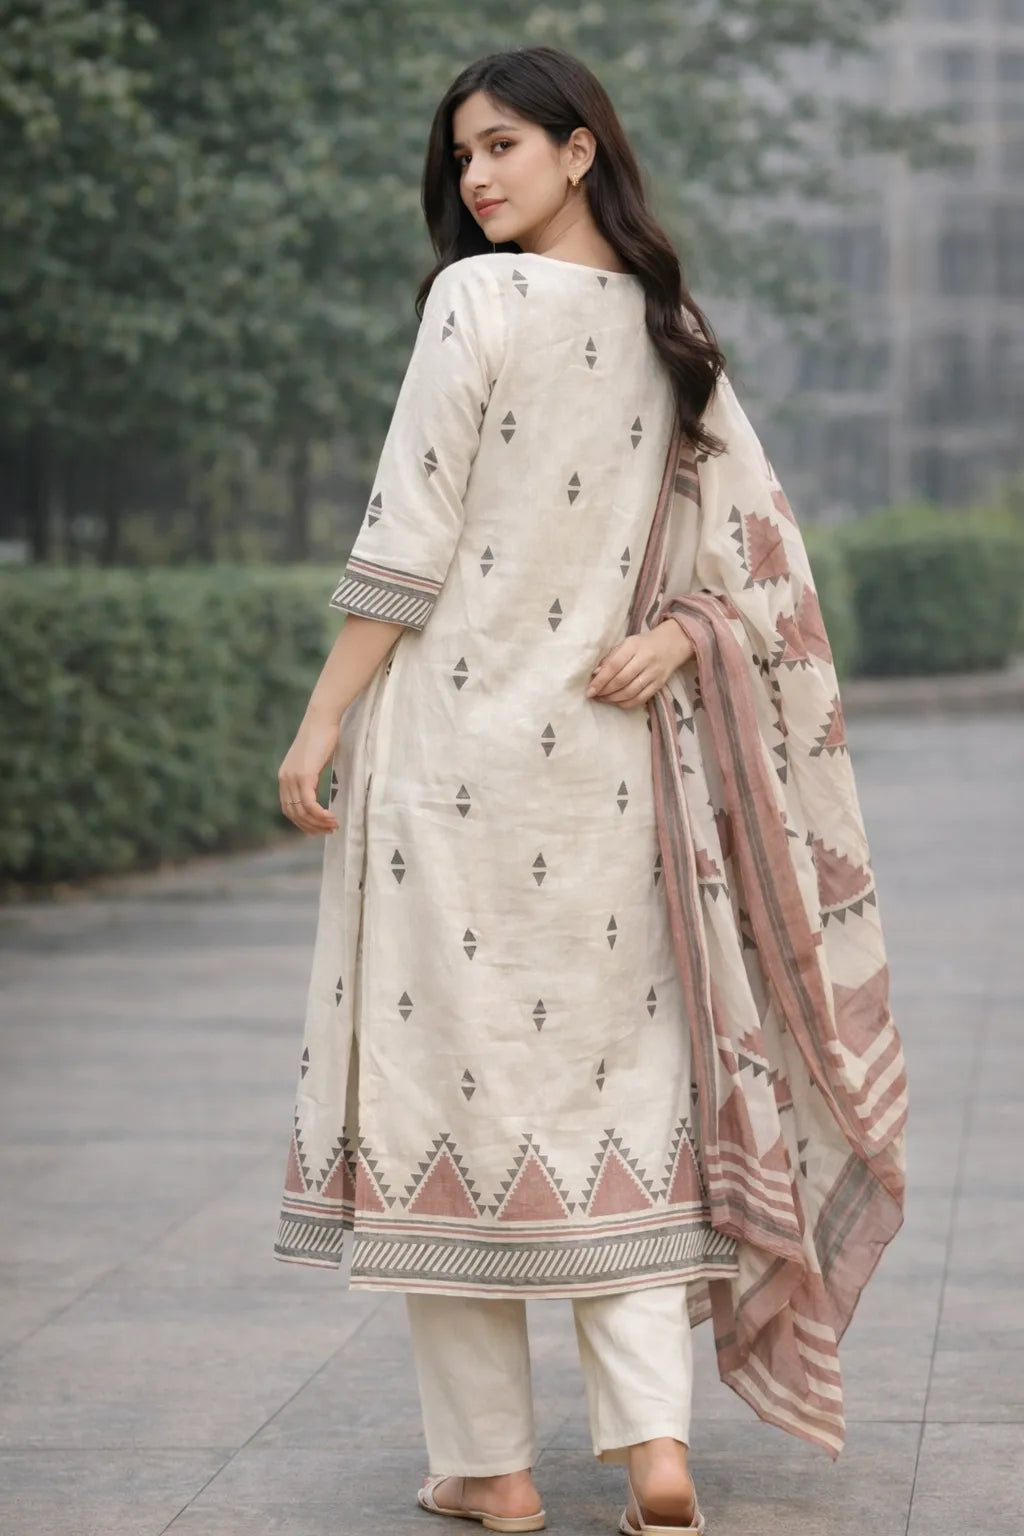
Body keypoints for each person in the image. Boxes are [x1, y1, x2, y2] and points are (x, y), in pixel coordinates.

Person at [272, 45, 907, 1536]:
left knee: (449, 1100)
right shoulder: (670, 329)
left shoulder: (471, 303)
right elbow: (761, 576)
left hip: (451, 769)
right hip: (615, 782)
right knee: (623, 1093)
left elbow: (406, 536)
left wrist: (317, 726)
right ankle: (651, 1451)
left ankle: (491, 1473)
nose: (477, 178)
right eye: (461, 159)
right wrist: (680, 639)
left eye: (501, 146)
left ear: (577, 150)